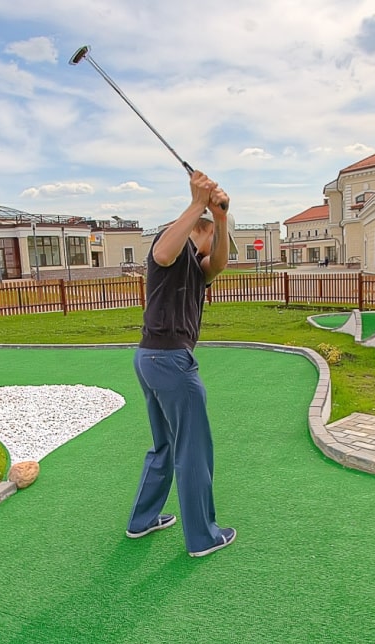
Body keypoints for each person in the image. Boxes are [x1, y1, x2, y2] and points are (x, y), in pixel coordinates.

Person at [125, 170, 236, 557]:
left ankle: (142, 519)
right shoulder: (171, 243)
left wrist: (220, 217)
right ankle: (204, 537)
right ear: (201, 230)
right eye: (215, 235)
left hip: (151, 358)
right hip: (170, 361)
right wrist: (197, 203)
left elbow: (218, 265)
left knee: (167, 446)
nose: (217, 246)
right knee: (193, 449)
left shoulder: (196, 264)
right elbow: (161, 254)